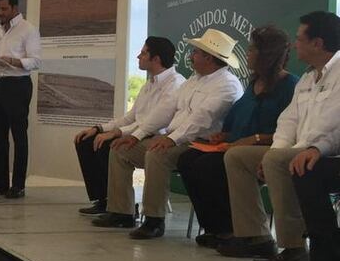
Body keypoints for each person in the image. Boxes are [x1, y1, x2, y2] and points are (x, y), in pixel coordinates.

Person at [221, 11, 340, 261]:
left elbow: (332, 124)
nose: (295, 45)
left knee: (277, 160)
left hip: (327, 151)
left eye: (299, 39)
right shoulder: (310, 77)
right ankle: (255, 235)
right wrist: (274, 152)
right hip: (298, 147)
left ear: (318, 43)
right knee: (238, 157)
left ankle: (294, 248)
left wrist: (284, 154)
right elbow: (288, 120)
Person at [94, 28, 243, 239]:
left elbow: (200, 120)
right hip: (175, 138)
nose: (190, 56)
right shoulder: (194, 79)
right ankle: (121, 212)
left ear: (209, 57)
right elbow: (166, 112)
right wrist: (136, 136)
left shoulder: (227, 85)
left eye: (195, 52)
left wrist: (170, 139)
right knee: (121, 149)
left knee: (157, 155)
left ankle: (154, 220)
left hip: (198, 143)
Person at [176, 26, 297, 247]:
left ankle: (234, 228)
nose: (248, 54)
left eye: (252, 50)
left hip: (268, 147)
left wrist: (255, 139)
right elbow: (240, 121)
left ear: (266, 55)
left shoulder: (289, 86)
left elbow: (292, 132)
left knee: (209, 167)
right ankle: (216, 227)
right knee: (187, 160)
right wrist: (224, 134)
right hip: (235, 145)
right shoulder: (253, 85)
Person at [74, 37, 183, 215]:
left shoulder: (175, 84)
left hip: (154, 136)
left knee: (110, 145)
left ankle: (121, 208)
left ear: (156, 59)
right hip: (139, 133)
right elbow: (131, 117)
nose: (138, 56)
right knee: (87, 141)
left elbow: (151, 122)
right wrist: (100, 128)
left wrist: (116, 133)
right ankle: (104, 200)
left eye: (144, 52)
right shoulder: (150, 83)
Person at [0, 0, 41, 199]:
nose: (0, 13)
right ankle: (0, 181)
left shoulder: (28, 29)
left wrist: (13, 61)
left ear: (15, 8)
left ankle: (18, 185)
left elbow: (36, 61)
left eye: (4, 9)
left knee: (19, 136)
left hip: (19, 84)